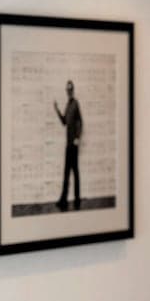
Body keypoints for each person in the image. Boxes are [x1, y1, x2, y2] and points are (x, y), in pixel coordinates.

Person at [54, 80, 83, 211]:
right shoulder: (68, 105)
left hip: (74, 144)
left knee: (75, 171)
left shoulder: (76, 103)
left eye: (70, 89)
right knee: (67, 172)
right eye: (67, 89)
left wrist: (77, 137)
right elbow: (64, 122)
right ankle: (64, 200)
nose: (69, 91)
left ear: (73, 90)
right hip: (68, 144)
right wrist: (57, 110)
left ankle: (76, 200)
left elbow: (80, 122)